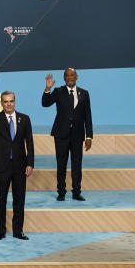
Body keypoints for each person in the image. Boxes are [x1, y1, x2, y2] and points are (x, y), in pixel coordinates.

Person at [0, 92, 34, 240]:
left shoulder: (24, 119)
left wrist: (30, 163)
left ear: (15, 102)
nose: (9, 104)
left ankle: (18, 231)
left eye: (11, 101)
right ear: (2, 102)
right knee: (1, 200)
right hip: (1, 165)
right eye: (5, 102)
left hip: (19, 166)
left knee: (19, 200)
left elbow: (29, 143)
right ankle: (1, 231)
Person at [41, 69, 93, 201]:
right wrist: (47, 89)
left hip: (77, 135)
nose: (69, 77)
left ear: (76, 77)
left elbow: (88, 116)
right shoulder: (58, 91)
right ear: (64, 78)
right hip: (61, 134)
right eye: (67, 75)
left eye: (72, 75)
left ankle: (76, 192)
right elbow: (45, 104)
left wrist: (89, 136)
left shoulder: (84, 93)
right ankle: (61, 192)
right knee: (61, 164)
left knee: (77, 165)